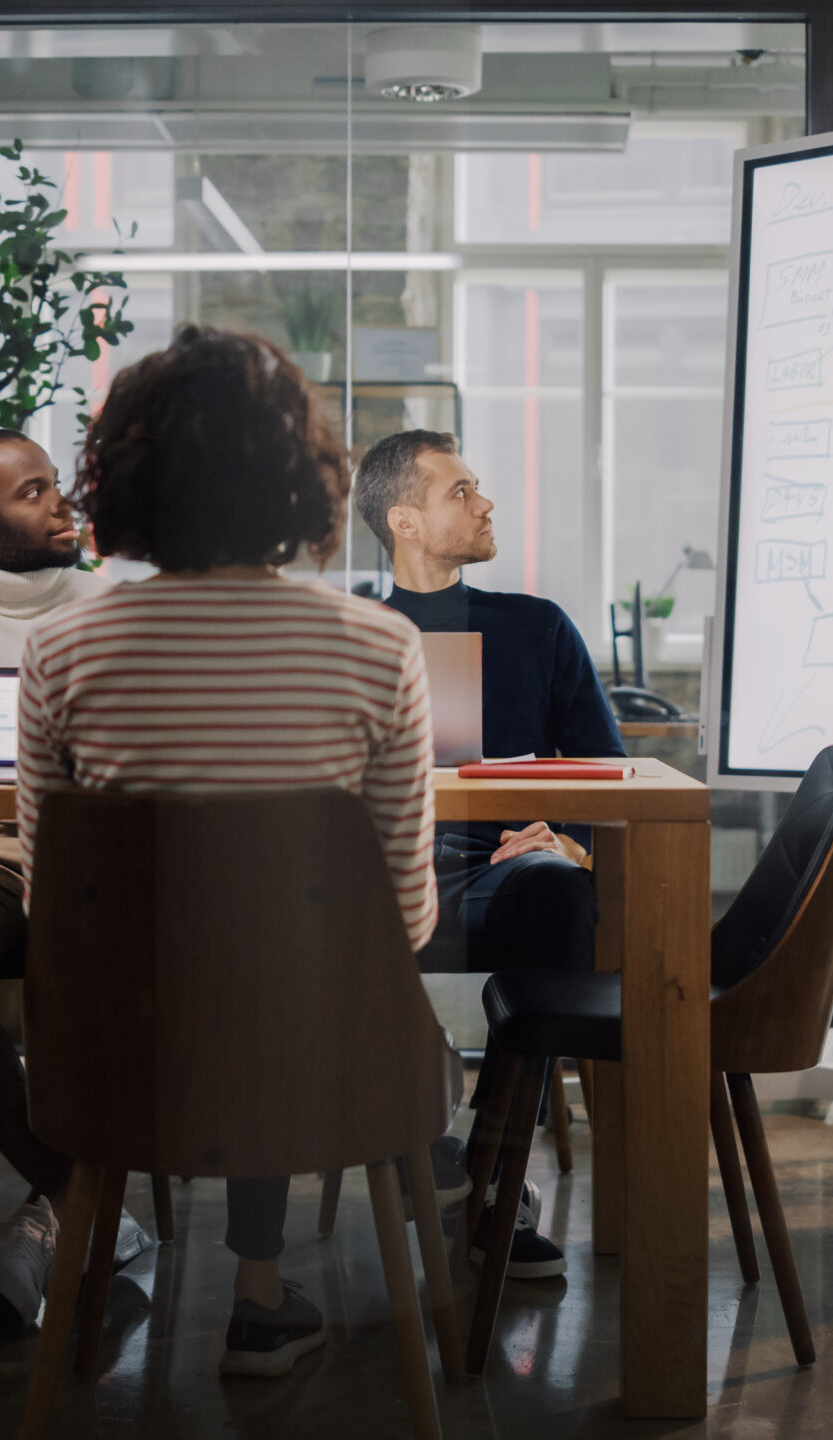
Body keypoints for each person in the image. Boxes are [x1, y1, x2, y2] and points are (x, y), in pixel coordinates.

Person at [14, 325, 451, 1378]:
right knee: (285, 968)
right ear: (303, 479)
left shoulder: (61, 650)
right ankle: (261, 1296)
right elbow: (406, 917)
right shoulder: (379, 644)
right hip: (329, 1068)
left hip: (125, 1068)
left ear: (120, 477)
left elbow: (50, 903)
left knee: (217, 971)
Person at [354, 428, 625, 1280]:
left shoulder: (535, 626)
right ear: (403, 519)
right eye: (460, 492)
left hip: (502, 870)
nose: (486, 503)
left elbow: (608, 769)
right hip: (375, 877)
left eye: (479, 488)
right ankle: (425, 1143)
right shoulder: (351, 632)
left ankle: (494, 1170)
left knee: (557, 891)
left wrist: (567, 836)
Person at [0, 426, 135, 1325]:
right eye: (34, 493)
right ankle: (67, 1188)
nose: (61, 505)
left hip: (92, 857)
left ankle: (66, 1212)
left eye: (58, 485)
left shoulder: (111, 608)